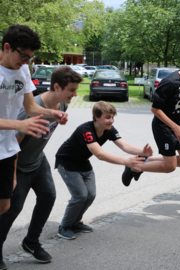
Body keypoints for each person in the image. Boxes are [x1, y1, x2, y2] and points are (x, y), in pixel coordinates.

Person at [0, 66, 82, 267]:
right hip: (18, 162)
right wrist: (13, 176)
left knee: (48, 197)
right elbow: (14, 145)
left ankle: (31, 242)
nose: (75, 94)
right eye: (71, 90)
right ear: (57, 86)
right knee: (13, 208)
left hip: (37, 159)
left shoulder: (61, 106)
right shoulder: (30, 109)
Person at [55, 101, 152, 240]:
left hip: (83, 162)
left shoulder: (109, 129)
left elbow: (124, 146)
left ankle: (75, 223)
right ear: (96, 117)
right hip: (67, 163)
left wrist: (143, 151)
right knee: (80, 196)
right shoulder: (85, 130)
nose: (111, 120)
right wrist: (126, 162)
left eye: (112, 117)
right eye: (107, 117)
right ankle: (64, 227)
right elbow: (100, 154)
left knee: (91, 195)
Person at [0, 25, 67, 216]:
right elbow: (21, 120)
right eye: (23, 56)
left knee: (5, 205)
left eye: (30, 57)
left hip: (6, 149)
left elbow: (30, 108)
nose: (26, 61)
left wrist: (52, 113)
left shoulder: (23, 70)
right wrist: (19, 125)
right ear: (7, 47)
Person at [121, 53, 180, 184]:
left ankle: (138, 161)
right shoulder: (170, 82)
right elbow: (155, 109)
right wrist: (175, 127)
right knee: (170, 167)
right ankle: (134, 167)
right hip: (164, 127)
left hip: (179, 125)